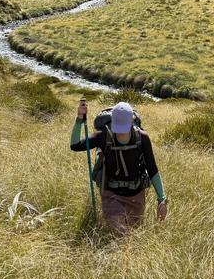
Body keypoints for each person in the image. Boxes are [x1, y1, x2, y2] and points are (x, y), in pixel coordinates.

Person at [70, 99, 168, 231]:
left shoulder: (142, 138)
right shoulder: (103, 136)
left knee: (134, 233)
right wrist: (80, 119)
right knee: (120, 233)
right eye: (118, 128)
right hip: (111, 195)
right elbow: (75, 146)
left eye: (124, 128)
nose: (121, 132)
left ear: (131, 123)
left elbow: (152, 169)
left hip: (136, 195)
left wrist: (162, 200)